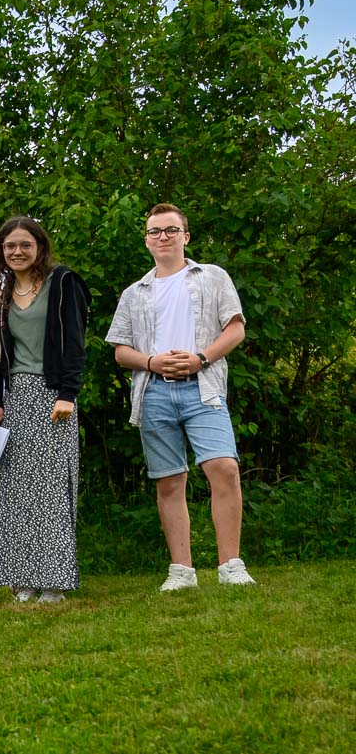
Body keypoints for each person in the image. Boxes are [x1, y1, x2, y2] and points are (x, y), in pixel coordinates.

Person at [105, 203, 254, 590]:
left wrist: (200, 358)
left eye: (171, 230)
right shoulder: (134, 293)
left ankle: (231, 565)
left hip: (203, 387)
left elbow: (235, 330)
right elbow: (121, 351)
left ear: (185, 237)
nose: (163, 237)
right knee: (169, 482)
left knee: (224, 468)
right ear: (147, 241)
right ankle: (182, 571)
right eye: (155, 232)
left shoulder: (212, 277)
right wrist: (152, 362)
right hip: (154, 393)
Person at [0, 217, 88, 602]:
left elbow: (75, 343)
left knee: (53, 487)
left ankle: (54, 582)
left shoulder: (63, 282)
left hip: (54, 395)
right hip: (16, 397)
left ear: (39, 246)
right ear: (1, 252)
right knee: (17, 489)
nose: (17, 252)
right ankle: (23, 579)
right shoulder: (4, 292)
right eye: (9, 247)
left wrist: (68, 393)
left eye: (24, 245)